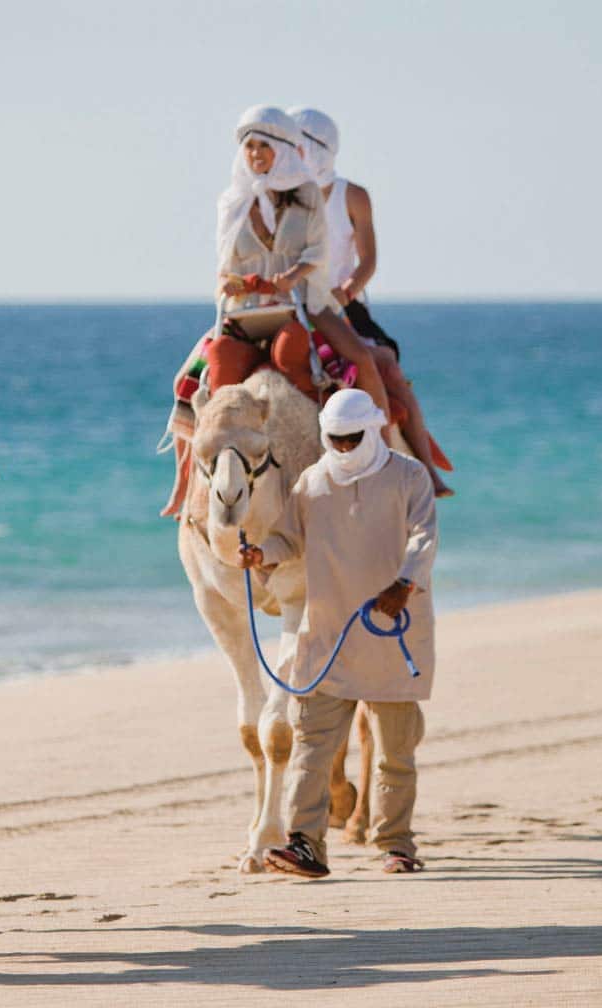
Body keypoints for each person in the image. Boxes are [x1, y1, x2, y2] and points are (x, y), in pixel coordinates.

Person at [237, 389, 438, 879]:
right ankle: (306, 844)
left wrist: (405, 582)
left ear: (371, 430)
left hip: (394, 632)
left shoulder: (409, 477)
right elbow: (289, 535)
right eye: (336, 440)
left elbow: (424, 536)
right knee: (311, 745)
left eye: (353, 439)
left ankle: (396, 844)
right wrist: (263, 553)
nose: (345, 449)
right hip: (328, 634)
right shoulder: (313, 482)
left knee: (395, 751)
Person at [160, 105, 390, 518]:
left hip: (302, 304)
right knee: (199, 375)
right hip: (244, 311)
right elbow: (225, 263)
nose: (255, 155)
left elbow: (318, 254)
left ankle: (381, 463)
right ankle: (187, 480)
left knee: (347, 359)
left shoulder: (307, 197)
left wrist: (293, 276)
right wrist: (235, 283)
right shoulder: (231, 202)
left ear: (283, 149)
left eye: (263, 146)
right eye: (249, 147)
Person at [288, 106, 453, 498]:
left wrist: (346, 289)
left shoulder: (352, 196)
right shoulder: (283, 198)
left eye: (298, 145)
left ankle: (423, 470)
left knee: (389, 367)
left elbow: (370, 260)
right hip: (295, 303)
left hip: (344, 305)